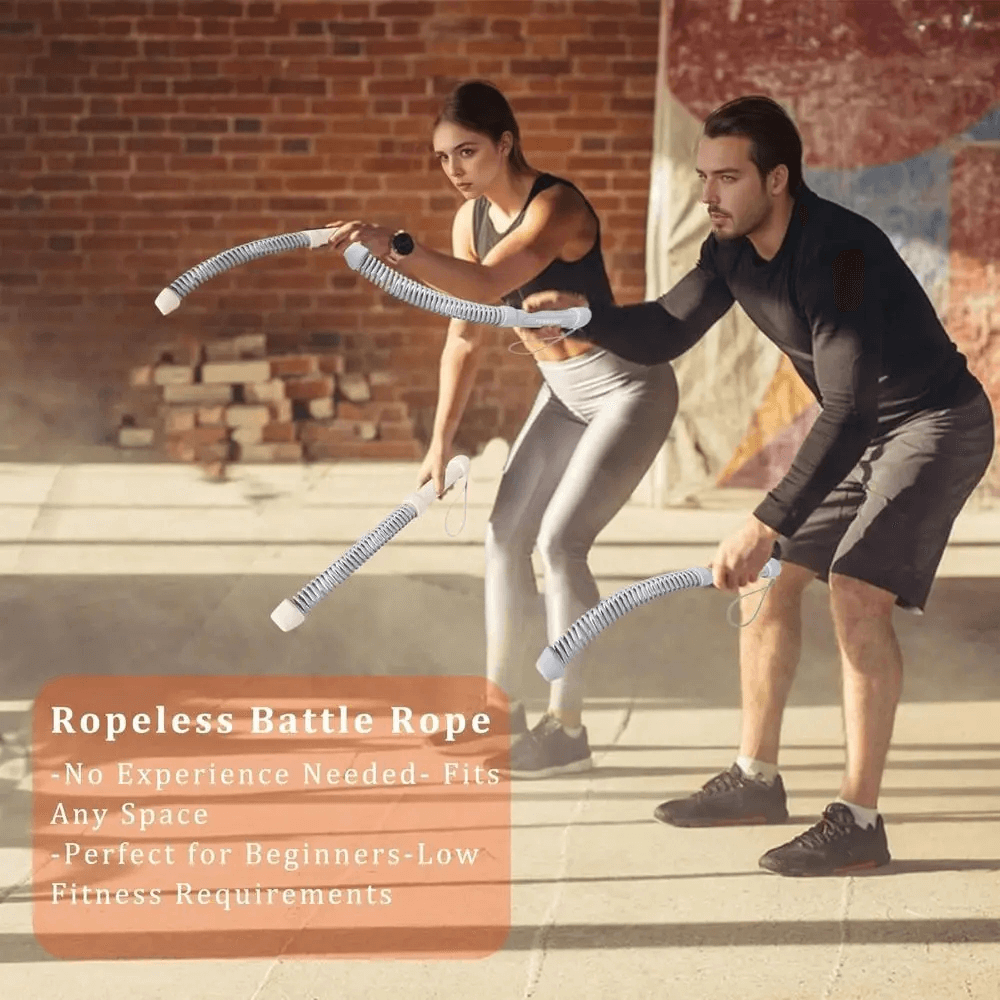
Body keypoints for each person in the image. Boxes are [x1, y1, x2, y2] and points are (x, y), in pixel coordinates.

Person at [523, 95, 995, 871]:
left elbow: (846, 409)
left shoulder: (840, 254)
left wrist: (767, 519)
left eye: (728, 178)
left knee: (854, 590)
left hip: (933, 424)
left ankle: (859, 819)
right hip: (863, 428)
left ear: (778, 179)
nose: (709, 195)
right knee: (765, 588)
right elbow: (669, 328)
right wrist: (586, 318)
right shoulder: (731, 251)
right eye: (704, 177)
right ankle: (755, 778)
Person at [326, 80, 679, 778]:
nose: (455, 169)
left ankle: (566, 727)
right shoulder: (471, 221)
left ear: (505, 144)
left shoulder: (559, 205)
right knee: (503, 536)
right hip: (563, 392)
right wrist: (439, 442)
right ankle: (498, 711)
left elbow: (489, 288)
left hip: (629, 388)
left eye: (467, 152)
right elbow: (466, 333)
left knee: (561, 543)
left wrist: (393, 245)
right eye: (442, 158)